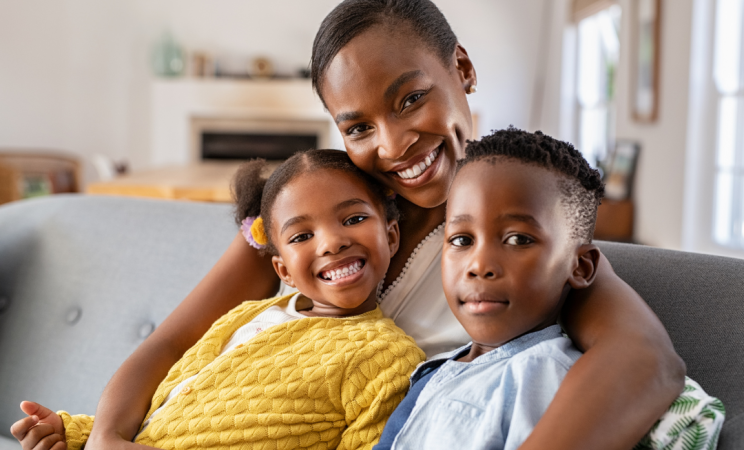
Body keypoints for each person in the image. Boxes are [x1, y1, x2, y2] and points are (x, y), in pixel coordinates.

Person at [77, 2, 686, 449]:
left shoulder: (515, 235)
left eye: (410, 99)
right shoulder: (314, 214)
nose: (395, 144)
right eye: (358, 127)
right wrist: (107, 437)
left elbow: (647, 360)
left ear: (463, 70)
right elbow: (171, 341)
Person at [10, 150, 426, 450]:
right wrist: (78, 432)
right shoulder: (251, 315)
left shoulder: (386, 359)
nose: (332, 242)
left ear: (391, 235)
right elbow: (172, 411)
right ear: (282, 271)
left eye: (353, 219)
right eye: (302, 236)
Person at [373, 128, 725, 450]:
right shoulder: (438, 366)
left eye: (518, 239)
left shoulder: (540, 374)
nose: (479, 265)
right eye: (462, 239)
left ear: (581, 266)